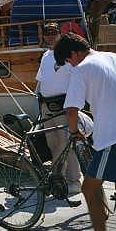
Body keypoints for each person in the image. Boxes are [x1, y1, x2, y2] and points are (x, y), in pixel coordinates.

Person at [54, 33, 116, 231]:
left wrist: (75, 132)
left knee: (89, 189)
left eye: (68, 61)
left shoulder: (81, 70)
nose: (70, 66)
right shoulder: (115, 57)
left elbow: (71, 111)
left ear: (73, 54)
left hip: (114, 137)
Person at [35, 22, 82, 194]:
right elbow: (40, 81)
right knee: (53, 144)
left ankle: (74, 180)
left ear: (60, 34)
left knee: (67, 144)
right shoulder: (46, 56)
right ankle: (58, 179)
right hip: (47, 106)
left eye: (53, 32)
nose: (50, 36)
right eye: (47, 33)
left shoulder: (69, 56)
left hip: (64, 106)